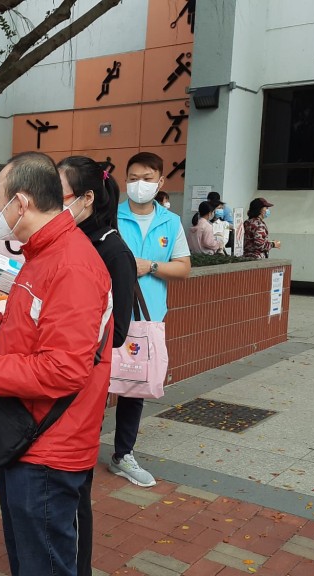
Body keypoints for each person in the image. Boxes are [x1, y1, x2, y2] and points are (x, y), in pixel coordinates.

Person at [0, 152, 114, 576]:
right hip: (26, 436)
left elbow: (64, 369)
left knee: (44, 566)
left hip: (49, 448)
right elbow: (26, 332)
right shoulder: (42, 254)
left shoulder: (71, 265)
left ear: (22, 203)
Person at [57, 156, 136, 576]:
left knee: (75, 491)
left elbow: (118, 330)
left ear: (88, 197)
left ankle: (76, 567)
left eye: (60, 194)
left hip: (82, 384)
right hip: (58, 379)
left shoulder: (111, 249)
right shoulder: (68, 238)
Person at [114, 152, 190, 488]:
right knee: (94, 383)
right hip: (104, 316)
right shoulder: (110, 216)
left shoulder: (170, 223)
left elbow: (184, 268)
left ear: (160, 182)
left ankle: (123, 455)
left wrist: (151, 266)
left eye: (147, 178)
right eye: (133, 177)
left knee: (134, 388)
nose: (139, 184)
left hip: (147, 319)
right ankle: (78, 452)